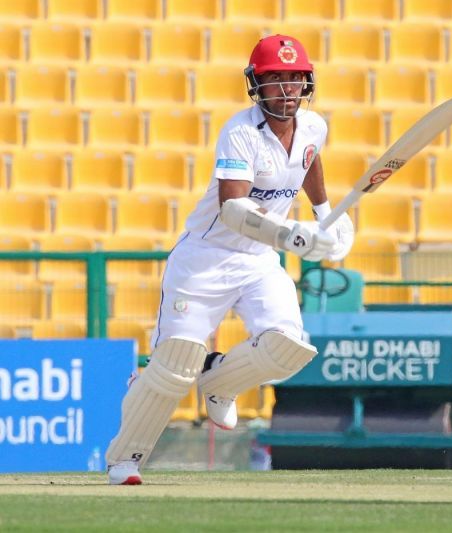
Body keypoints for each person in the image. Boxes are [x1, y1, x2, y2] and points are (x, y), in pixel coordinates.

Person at [105, 34, 354, 485]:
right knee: (175, 365)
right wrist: (289, 233)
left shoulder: (314, 127)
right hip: (205, 257)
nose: (286, 89)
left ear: (307, 83)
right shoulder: (240, 131)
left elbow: (309, 161)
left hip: (258, 260)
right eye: (275, 79)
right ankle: (125, 459)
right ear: (256, 85)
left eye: (294, 79)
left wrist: (324, 214)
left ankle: (220, 381)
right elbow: (233, 208)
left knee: (289, 346)